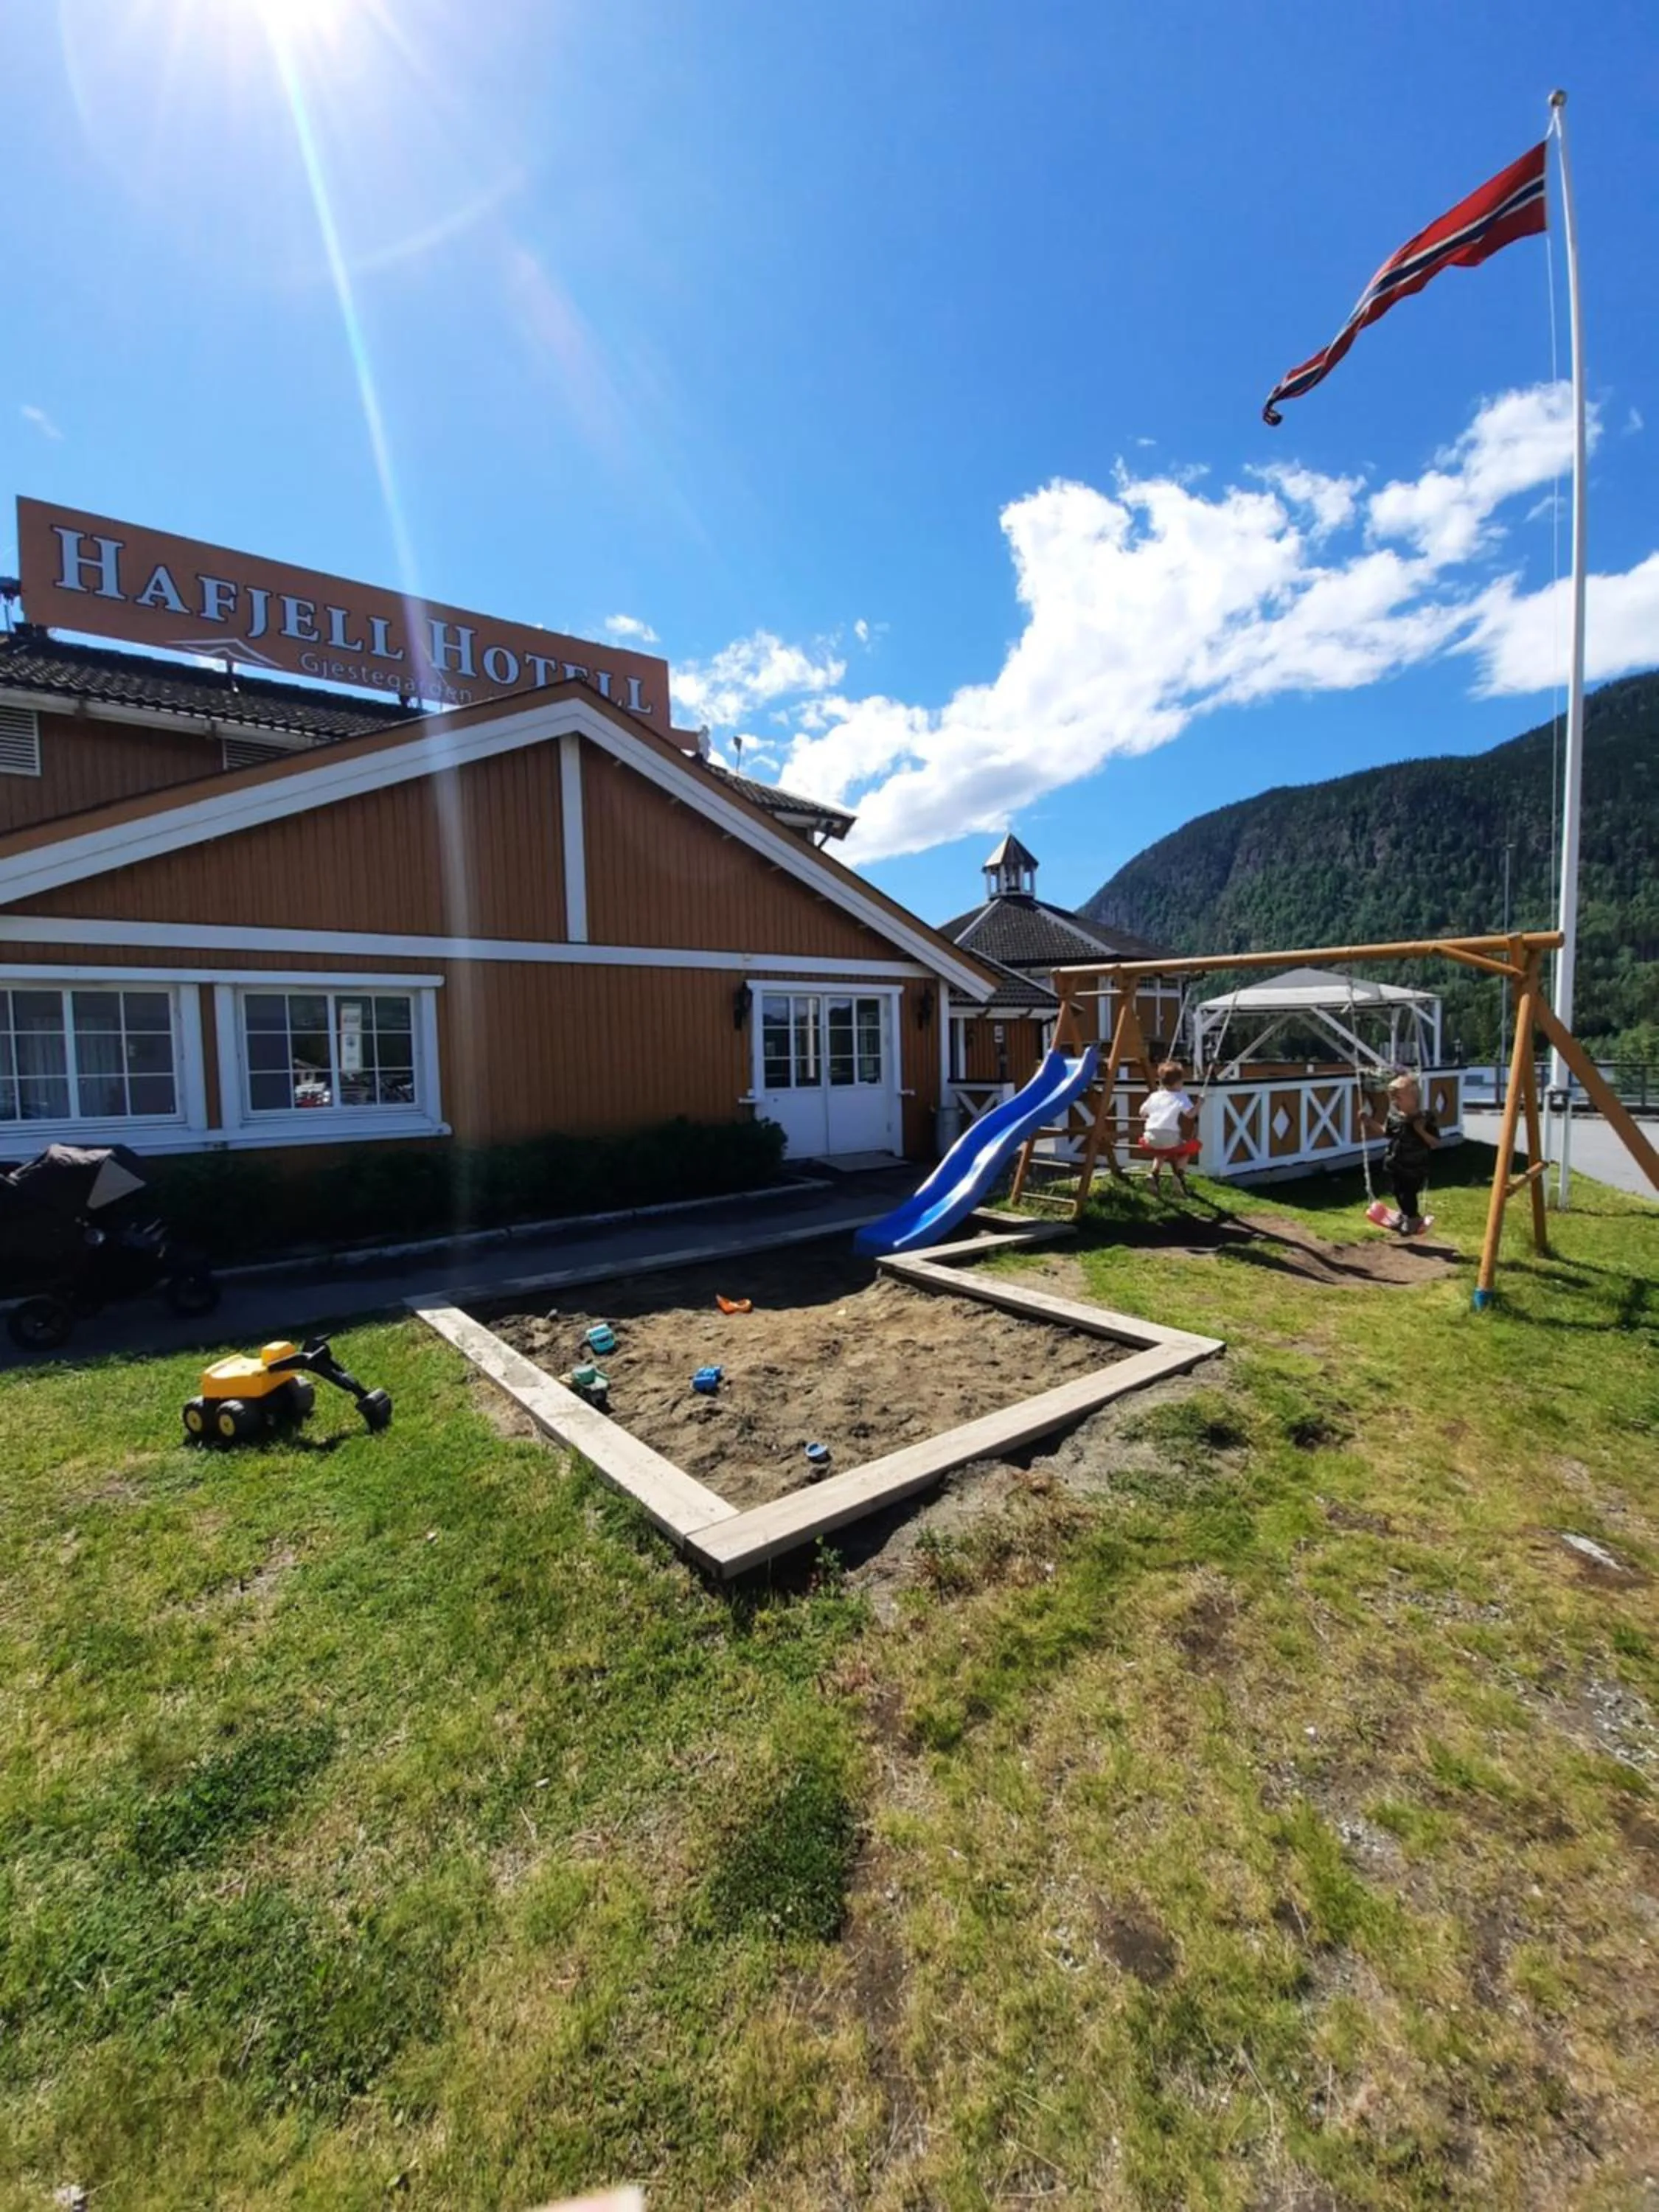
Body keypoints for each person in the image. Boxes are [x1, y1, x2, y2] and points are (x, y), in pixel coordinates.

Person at [1361, 1074, 1440, 1233]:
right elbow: (1386, 1133)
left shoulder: (1425, 1118)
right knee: (1398, 1191)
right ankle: (1406, 1216)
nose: (1395, 1102)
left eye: (1398, 1098)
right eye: (1393, 1099)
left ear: (1413, 1098)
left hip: (1415, 1166)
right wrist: (1369, 1122)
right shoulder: (1394, 1117)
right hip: (1395, 1163)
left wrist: (1421, 1131)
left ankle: (1413, 1219)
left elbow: (1435, 1143)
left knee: (1408, 1194)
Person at [1140, 1061, 1198, 1195]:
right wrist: (1200, 1104)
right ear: (1178, 1083)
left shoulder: (1154, 1096)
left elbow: (1142, 1112)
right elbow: (1190, 1115)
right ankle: (1179, 1176)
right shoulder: (1181, 1096)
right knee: (1186, 1150)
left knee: (1161, 1152)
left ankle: (1154, 1174)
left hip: (1149, 1137)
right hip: (1169, 1137)